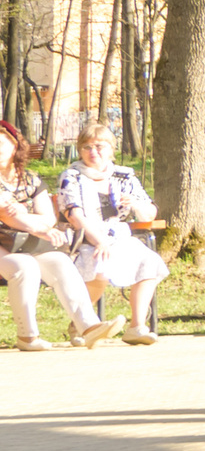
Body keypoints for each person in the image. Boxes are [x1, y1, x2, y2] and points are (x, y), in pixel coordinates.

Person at [1, 121, 123, 349]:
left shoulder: (31, 179)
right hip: (7, 245)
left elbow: (48, 217)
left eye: (2, 144)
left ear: (15, 147)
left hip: (24, 241)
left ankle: (88, 327)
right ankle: (27, 336)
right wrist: (41, 229)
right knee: (23, 266)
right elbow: (8, 218)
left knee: (59, 261)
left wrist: (40, 224)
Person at [56, 123, 169, 344]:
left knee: (149, 261)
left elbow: (149, 213)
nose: (93, 152)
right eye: (87, 147)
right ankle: (81, 325)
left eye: (99, 146)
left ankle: (137, 327)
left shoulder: (124, 176)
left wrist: (136, 204)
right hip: (85, 239)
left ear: (111, 149)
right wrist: (100, 241)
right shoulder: (72, 176)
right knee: (101, 268)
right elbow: (75, 216)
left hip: (119, 236)